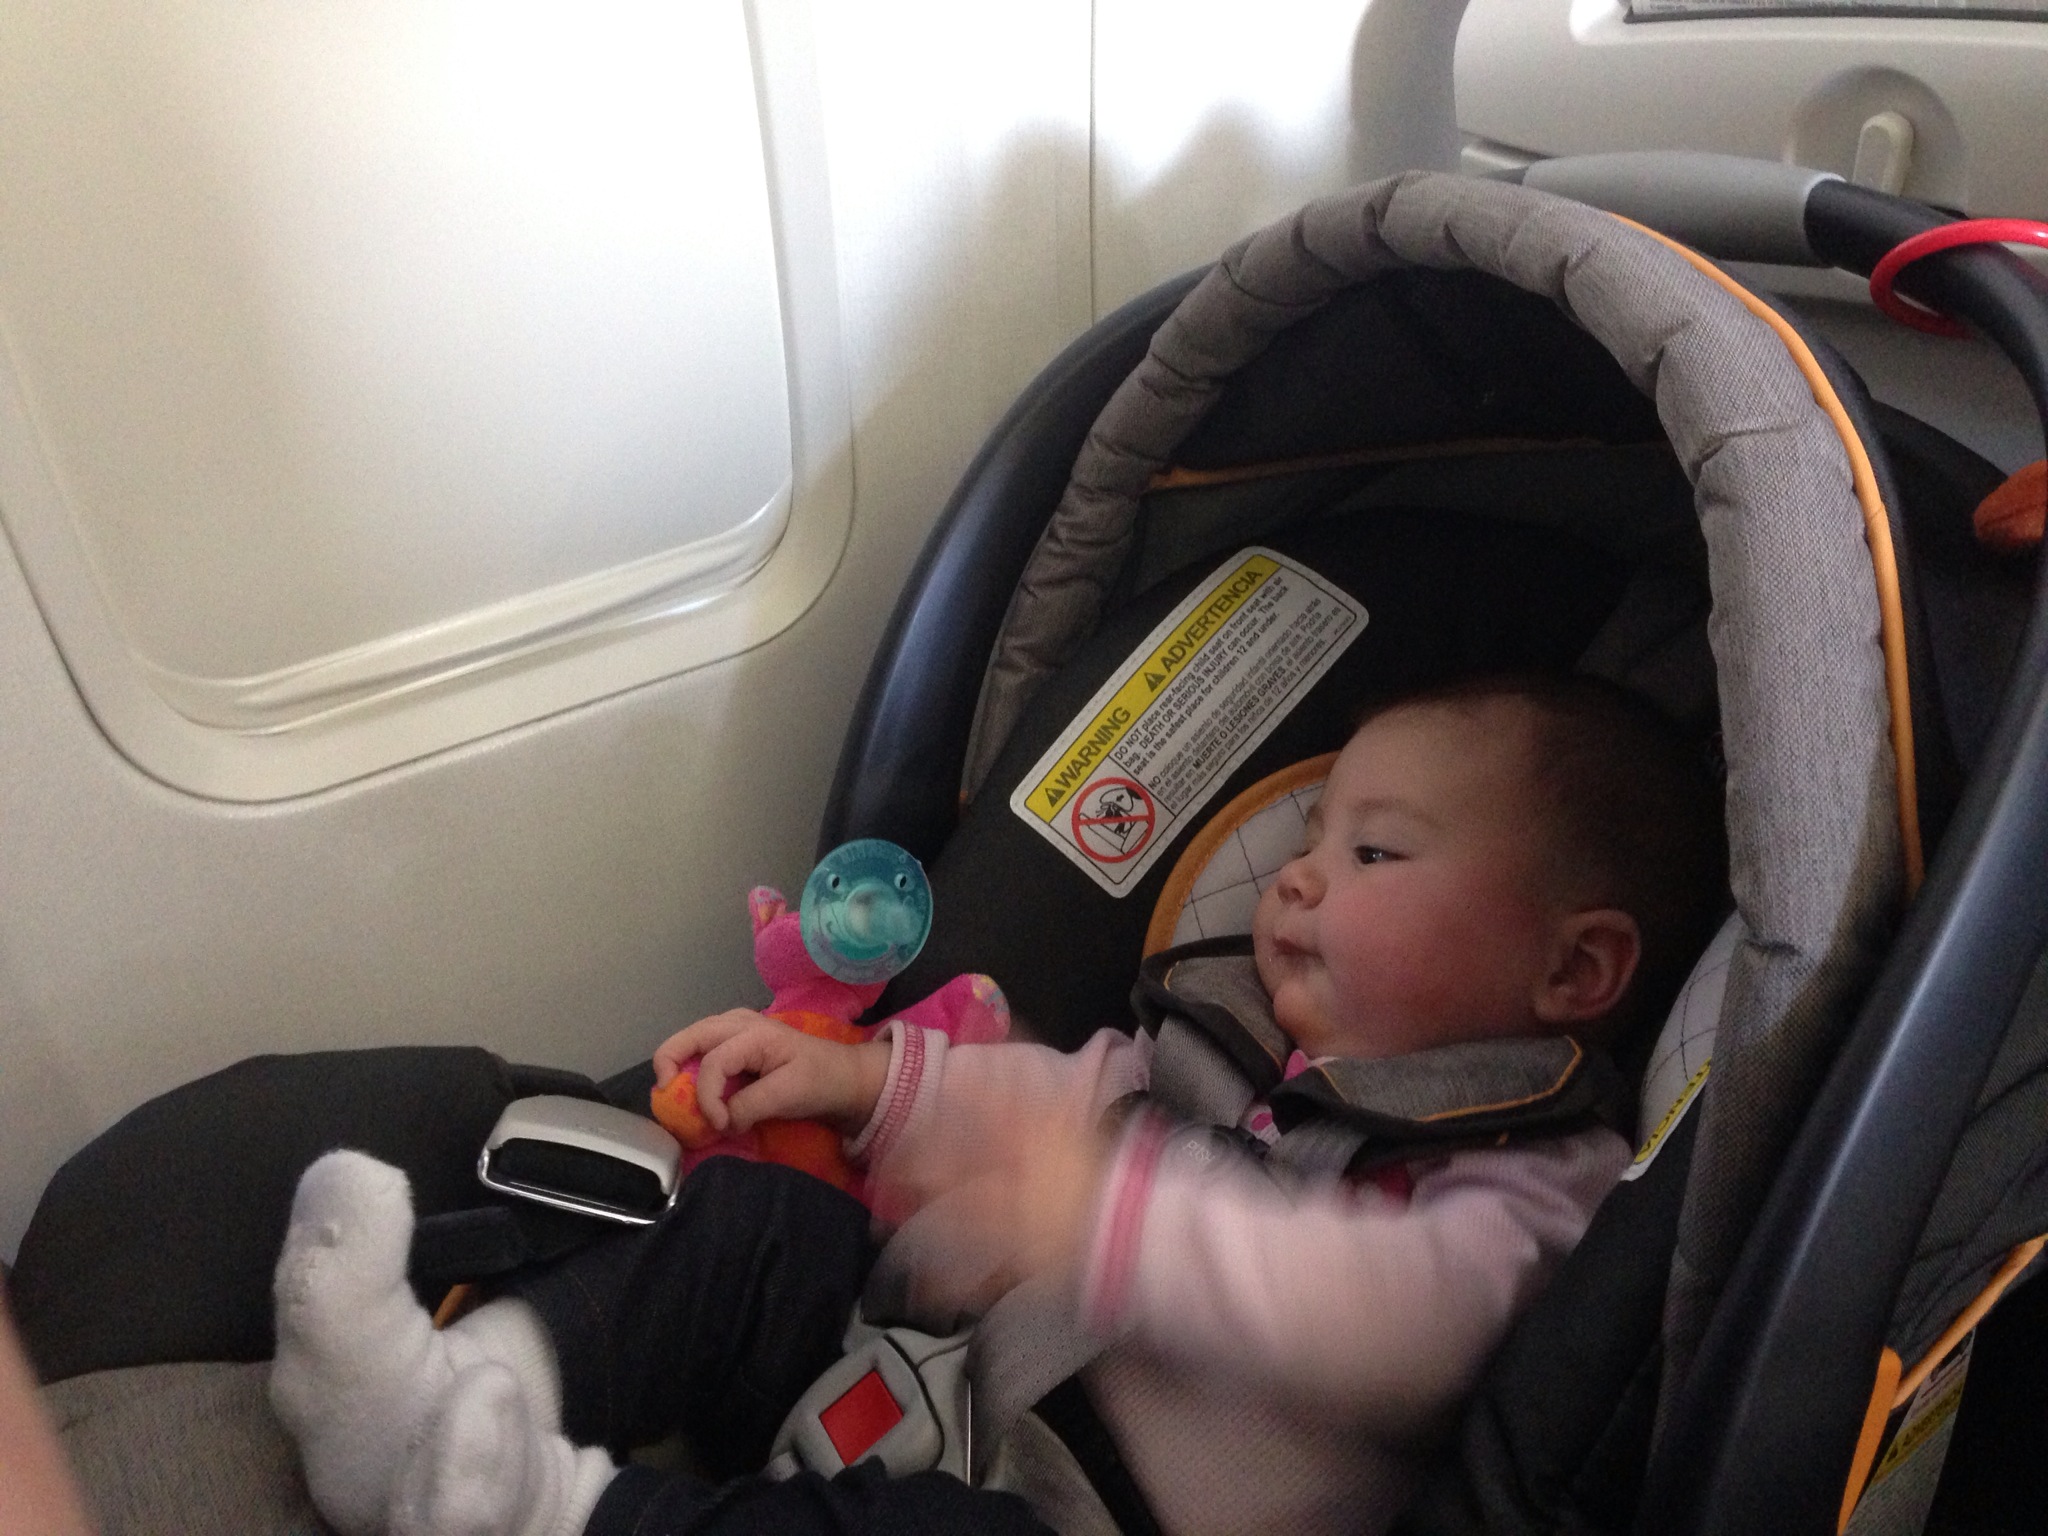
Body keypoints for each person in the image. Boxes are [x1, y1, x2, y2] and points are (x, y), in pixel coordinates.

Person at [268, 674, 1726, 1536]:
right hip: (925, 1366)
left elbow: (1391, 1324)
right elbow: (1041, 1101)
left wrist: (1103, 1215)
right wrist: (865, 1081)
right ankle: (441, 1400)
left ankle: (538, 1509)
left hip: (1074, 1517)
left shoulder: (1533, 1175)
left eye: (1376, 853)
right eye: (1312, 835)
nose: (1297, 875)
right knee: (750, 1225)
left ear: (1573, 967)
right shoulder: (1218, 1043)